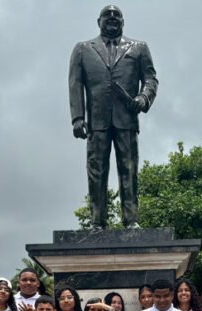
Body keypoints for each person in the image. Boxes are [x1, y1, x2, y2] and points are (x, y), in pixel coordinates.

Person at [68, 4, 159, 229]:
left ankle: (131, 221)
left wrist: (144, 97)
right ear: (98, 21)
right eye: (107, 16)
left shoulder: (139, 48)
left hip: (126, 119)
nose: (112, 18)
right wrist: (78, 117)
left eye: (116, 15)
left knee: (129, 169)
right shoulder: (82, 49)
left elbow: (150, 79)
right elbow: (75, 84)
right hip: (96, 122)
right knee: (96, 170)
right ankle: (97, 222)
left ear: (123, 21)